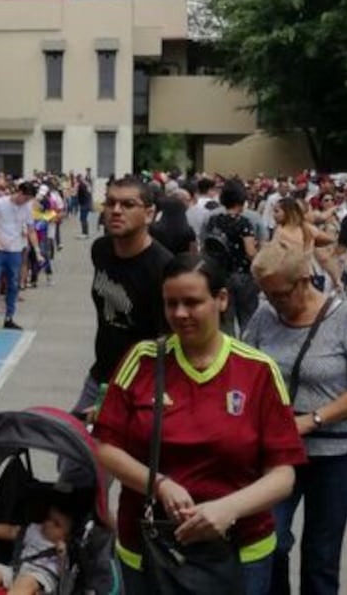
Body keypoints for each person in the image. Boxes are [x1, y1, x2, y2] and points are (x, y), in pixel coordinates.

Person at [94, 253, 306, 594]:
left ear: (221, 300)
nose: (180, 314)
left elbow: (283, 476)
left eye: (192, 302)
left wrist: (228, 509)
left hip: (240, 553)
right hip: (149, 552)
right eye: (171, 303)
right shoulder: (143, 360)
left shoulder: (258, 370)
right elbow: (105, 448)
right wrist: (159, 484)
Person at [243, 241, 347, 595]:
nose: (274, 302)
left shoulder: (343, 317)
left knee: (321, 555)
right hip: (276, 453)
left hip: (333, 455)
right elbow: (245, 367)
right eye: (266, 294)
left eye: (281, 294)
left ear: (305, 280)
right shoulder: (264, 315)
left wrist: (314, 419)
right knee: (270, 541)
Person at [76, 177, 174, 418]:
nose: (116, 211)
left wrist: (124, 403)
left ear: (149, 214)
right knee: (70, 450)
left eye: (128, 204)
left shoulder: (164, 269)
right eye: (110, 203)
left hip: (141, 385)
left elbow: (170, 344)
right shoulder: (100, 250)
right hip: (100, 376)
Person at [0, 499, 74, 595]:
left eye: (57, 524)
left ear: (67, 535)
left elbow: (66, 573)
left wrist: (62, 554)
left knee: (26, 583)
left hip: (41, 578)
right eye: (49, 518)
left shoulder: (66, 547)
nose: (49, 523)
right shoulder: (34, 530)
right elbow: (11, 531)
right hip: (16, 569)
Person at [204, 180, 260, 335]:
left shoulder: (214, 221)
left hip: (220, 274)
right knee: (247, 318)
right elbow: (250, 252)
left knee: (225, 319)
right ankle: (247, 351)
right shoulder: (243, 223)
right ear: (242, 201)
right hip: (242, 275)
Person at [0, 181, 39, 331]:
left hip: (15, 249)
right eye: (26, 197)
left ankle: (9, 317)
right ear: (19, 193)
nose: (27, 201)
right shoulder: (0, 204)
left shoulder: (27, 208)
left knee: (13, 284)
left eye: (29, 199)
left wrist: (37, 250)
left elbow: (31, 229)